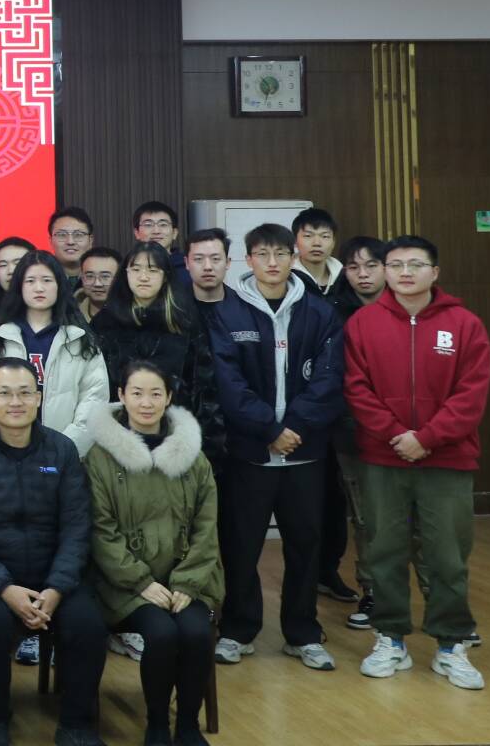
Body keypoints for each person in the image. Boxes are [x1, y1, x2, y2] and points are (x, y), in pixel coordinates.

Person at [345, 236, 490, 691]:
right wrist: (396, 435)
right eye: (395, 265)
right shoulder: (363, 323)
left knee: (448, 554)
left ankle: (451, 644)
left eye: (415, 264)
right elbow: (356, 388)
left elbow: (471, 395)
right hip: (382, 458)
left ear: (435, 272)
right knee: (384, 550)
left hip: (447, 458)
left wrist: (425, 438)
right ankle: (390, 638)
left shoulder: (465, 324)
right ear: (385, 272)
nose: (405, 272)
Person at [0, 358, 109, 746]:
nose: (15, 402)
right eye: (4, 393)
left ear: (38, 398)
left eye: (24, 393)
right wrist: (4, 588)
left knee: (88, 625)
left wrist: (56, 587)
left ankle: (76, 724)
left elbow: (76, 526)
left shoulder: (62, 450)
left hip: (55, 576)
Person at [207, 223, 345, 671]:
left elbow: (329, 378)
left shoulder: (319, 312)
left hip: (305, 451)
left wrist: (294, 427)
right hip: (249, 452)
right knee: (241, 544)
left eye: (280, 254)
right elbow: (228, 384)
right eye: (262, 254)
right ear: (248, 260)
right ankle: (238, 629)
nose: (272, 262)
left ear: (293, 257)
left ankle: (302, 632)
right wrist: (269, 429)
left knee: (305, 543)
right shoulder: (227, 313)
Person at [85, 362, 223, 746]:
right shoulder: (100, 458)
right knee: (161, 634)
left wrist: (188, 583)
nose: (146, 403)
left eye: (156, 394)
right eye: (137, 393)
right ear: (121, 396)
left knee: (196, 633)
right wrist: (141, 582)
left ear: (169, 398)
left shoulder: (193, 456)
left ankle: (188, 726)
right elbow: (100, 531)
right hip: (126, 583)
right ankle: (158, 724)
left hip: (188, 578)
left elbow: (207, 527)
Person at [91, 243, 225, 464]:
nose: (143, 277)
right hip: (118, 436)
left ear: (165, 276)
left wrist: (209, 444)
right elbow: (95, 388)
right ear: (125, 274)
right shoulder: (105, 323)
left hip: (177, 435)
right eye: (136, 269)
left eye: (153, 270)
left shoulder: (185, 320)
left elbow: (204, 386)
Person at [0, 252, 110, 457]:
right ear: (19, 287)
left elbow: (94, 399)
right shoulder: (0, 338)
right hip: (5, 452)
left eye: (47, 280)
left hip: (65, 452)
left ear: (59, 286)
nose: (39, 288)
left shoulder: (80, 339)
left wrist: (64, 449)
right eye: (30, 281)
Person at [326, 236, 386, 624]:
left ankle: (439, 603)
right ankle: (374, 593)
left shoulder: (412, 309)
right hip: (354, 432)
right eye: (353, 267)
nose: (362, 274)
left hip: (413, 435)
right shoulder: (334, 314)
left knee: (419, 523)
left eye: (371, 265)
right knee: (366, 518)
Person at [291, 209, 342, 298]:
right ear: (295, 240)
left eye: (325, 236)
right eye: (308, 236)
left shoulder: (345, 278)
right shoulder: (287, 279)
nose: (317, 243)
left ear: (333, 242)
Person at [75, 248, 123, 323]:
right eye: (90, 276)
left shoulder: (134, 318)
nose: (97, 284)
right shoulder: (68, 316)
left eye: (105, 276)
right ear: (82, 278)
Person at [46, 207, 96, 279]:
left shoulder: (107, 278)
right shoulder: (40, 279)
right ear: (50, 241)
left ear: (90, 240)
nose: (70, 242)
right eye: (62, 235)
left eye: (78, 235)